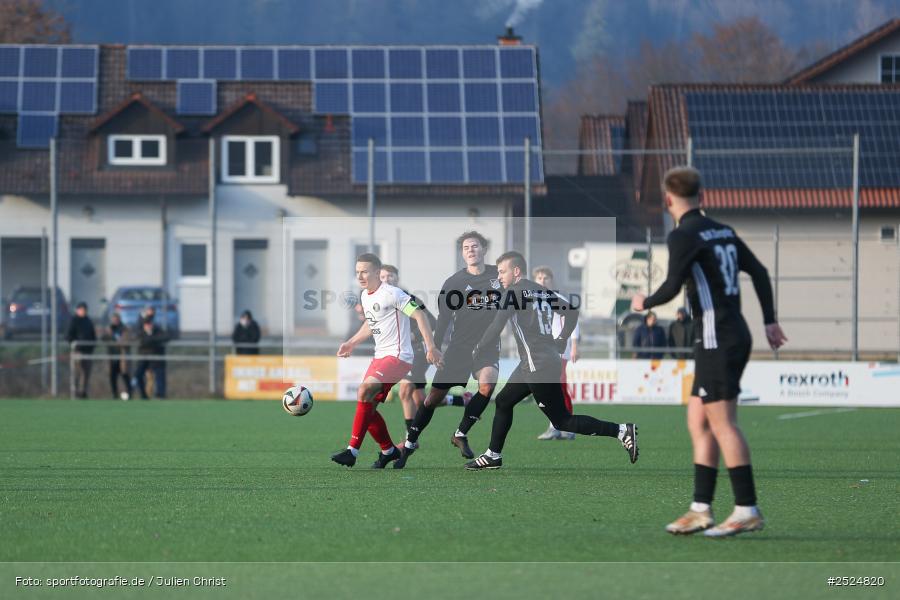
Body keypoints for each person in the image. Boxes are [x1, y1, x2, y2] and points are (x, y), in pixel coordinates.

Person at [631, 166, 787, 538]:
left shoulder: (683, 234)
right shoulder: (723, 230)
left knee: (723, 424)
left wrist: (644, 302)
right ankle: (701, 509)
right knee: (699, 421)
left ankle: (747, 509)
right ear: (702, 194)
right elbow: (761, 272)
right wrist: (769, 321)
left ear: (668, 198)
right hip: (729, 333)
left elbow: (670, 287)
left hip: (718, 336)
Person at [465, 251, 638, 470]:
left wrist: (477, 349)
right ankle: (493, 455)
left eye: (502, 271)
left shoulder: (512, 293)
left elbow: (496, 327)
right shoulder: (541, 290)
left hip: (538, 365)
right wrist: (562, 338)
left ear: (516, 271)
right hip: (538, 361)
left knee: (562, 421)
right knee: (503, 402)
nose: (499, 276)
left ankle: (621, 430)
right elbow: (572, 312)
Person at [394, 231, 502, 469]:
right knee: (432, 399)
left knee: (487, 384)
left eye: (475, 246)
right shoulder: (453, 283)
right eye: (466, 247)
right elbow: (442, 321)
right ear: (462, 253)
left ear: (484, 249)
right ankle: (410, 443)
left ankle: (460, 433)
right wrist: (433, 348)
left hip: (487, 348)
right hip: (458, 349)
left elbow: (517, 291)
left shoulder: (498, 275)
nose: (471, 250)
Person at [330, 254, 442, 468]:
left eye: (364, 271)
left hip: (399, 356)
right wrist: (351, 342)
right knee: (367, 406)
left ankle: (352, 451)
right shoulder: (365, 295)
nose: (360, 276)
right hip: (380, 356)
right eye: (357, 272)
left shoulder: (392, 293)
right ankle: (388, 451)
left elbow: (419, 315)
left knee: (364, 391)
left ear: (376, 272)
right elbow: (371, 325)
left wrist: (431, 347)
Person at [378, 265, 443, 431]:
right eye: (383, 277)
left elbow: (432, 321)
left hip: (418, 352)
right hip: (401, 353)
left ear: (397, 279)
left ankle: (410, 437)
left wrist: (414, 336)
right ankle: (459, 400)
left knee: (405, 391)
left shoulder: (406, 298)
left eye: (390, 276)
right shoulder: (380, 301)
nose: (387, 280)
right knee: (421, 400)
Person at [532, 266, 580, 441]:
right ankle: (559, 426)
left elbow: (573, 320)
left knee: (558, 386)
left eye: (546, 278)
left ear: (552, 281)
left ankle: (563, 426)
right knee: (550, 387)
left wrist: (574, 344)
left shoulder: (557, 298)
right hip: (543, 351)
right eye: (539, 278)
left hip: (559, 350)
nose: (543, 281)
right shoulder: (534, 300)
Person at [133, 315, 169, 399]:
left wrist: (151, 339)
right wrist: (151, 340)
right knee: (138, 375)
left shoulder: (158, 331)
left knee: (159, 375)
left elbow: (166, 337)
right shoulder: (140, 333)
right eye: (146, 324)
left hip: (156, 359)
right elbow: (139, 340)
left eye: (150, 324)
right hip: (144, 359)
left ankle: (160, 395)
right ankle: (143, 395)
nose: (149, 326)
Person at [66, 301, 97, 398]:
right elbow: (68, 336)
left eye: (85, 310)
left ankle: (83, 392)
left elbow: (93, 335)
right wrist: (76, 345)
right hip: (78, 351)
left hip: (88, 351)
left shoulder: (88, 321)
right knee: (77, 372)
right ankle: (75, 392)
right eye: (82, 309)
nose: (84, 311)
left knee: (86, 372)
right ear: (77, 310)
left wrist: (92, 346)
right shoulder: (74, 320)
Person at [104, 312, 131, 399]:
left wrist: (119, 342)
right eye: (114, 319)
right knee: (112, 376)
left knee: (125, 375)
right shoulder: (109, 329)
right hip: (112, 357)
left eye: (117, 319)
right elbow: (103, 338)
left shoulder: (124, 329)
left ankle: (129, 393)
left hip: (122, 357)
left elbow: (127, 341)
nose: (115, 321)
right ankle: (114, 394)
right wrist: (109, 334)